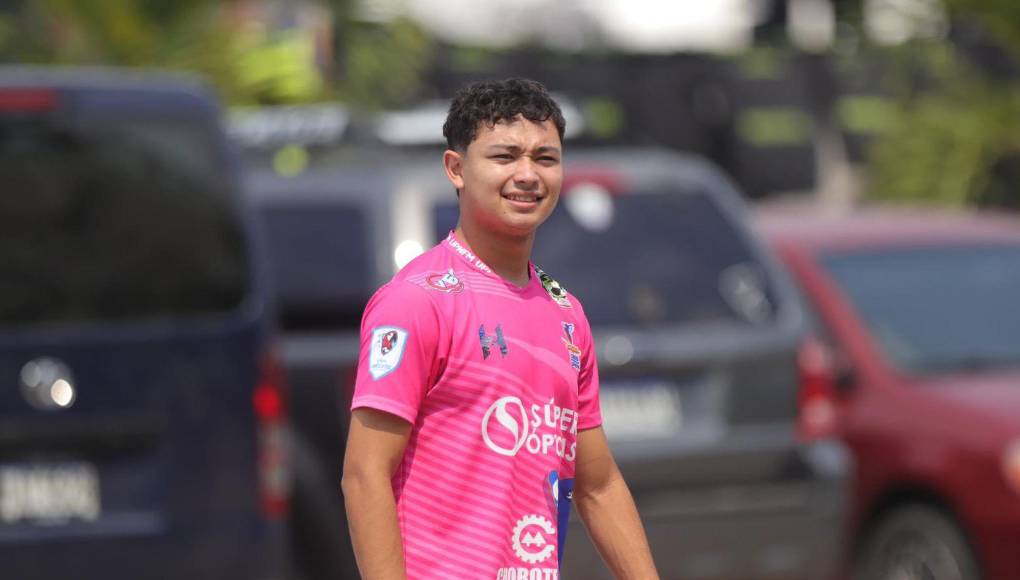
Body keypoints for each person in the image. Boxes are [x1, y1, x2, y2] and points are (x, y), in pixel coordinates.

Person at [341, 78, 659, 579]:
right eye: (505, 156)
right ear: (456, 168)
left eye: (545, 158)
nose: (527, 175)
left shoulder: (565, 313)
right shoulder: (417, 301)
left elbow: (598, 485)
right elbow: (364, 475)